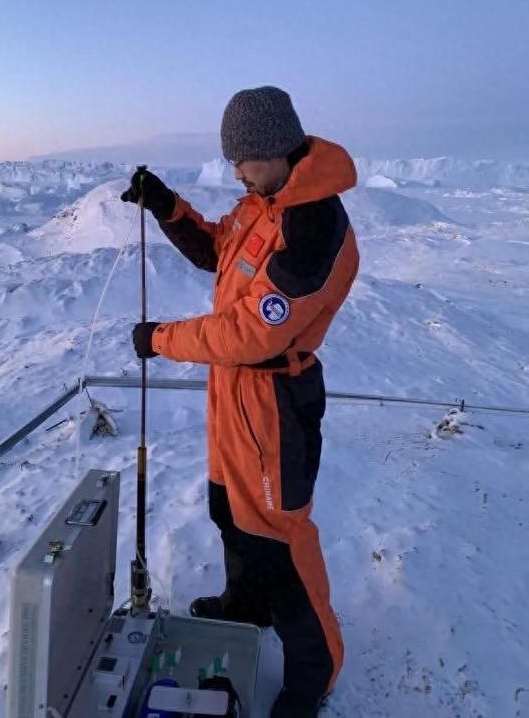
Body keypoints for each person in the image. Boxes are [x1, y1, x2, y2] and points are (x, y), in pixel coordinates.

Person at [122, 86, 359, 717]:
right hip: (234, 393)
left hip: (274, 397)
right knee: (229, 508)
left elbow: (255, 333)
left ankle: (316, 670)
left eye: (244, 160)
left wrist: (162, 340)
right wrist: (167, 206)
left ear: (278, 149)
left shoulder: (313, 223)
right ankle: (246, 605)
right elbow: (216, 249)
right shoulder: (264, 203)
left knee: (279, 536)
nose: (236, 173)